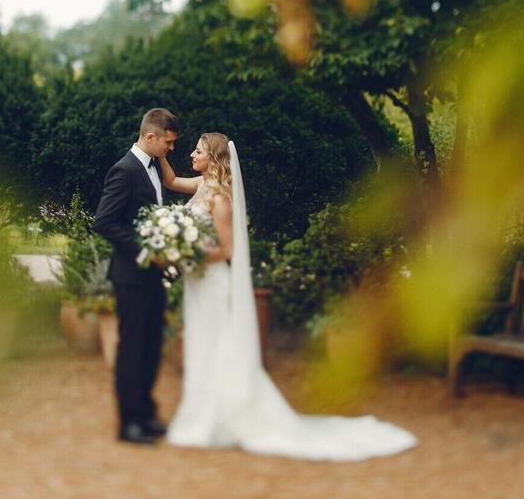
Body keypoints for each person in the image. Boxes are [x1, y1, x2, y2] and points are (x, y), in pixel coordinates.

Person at [158, 132, 417, 460]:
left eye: (198, 151)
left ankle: (222, 419)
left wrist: (189, 255)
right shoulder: (201, 187)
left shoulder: (220, 198)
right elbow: (168, 180)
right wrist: (158, 146)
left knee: (220, 345)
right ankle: (205, 416)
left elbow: (229, 248)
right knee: (201, 344)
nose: (192, 155)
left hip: (213, 282)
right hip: (198, 285)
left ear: (214, 159)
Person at [93, 108, 180, 445]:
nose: (171, 148)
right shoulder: (125, 170)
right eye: (168, 143)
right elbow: (105, 221)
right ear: (150, 137)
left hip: (153, 277)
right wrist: (145, 253)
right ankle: (129, 422)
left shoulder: (156, 166)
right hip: (131, 276)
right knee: (131, 348)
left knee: (151, 346)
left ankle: (146, 412)